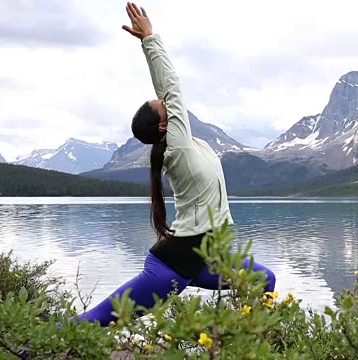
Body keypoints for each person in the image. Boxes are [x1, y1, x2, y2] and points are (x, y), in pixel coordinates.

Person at [69, 2, 277, 326]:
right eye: (162, 106)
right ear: (165, 126)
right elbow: (172, 86)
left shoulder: (192, 145)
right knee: (99, 319)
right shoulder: (177, 149)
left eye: (164, 101)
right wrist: (149, 40)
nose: (167, 102)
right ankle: (31, 349)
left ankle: (250, 342)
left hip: (207, 259)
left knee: (265, 281)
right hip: (172, 268)